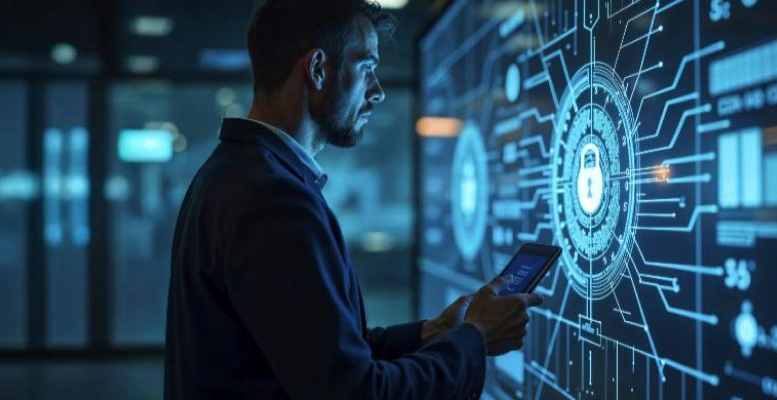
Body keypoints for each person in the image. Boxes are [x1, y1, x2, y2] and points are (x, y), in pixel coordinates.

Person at [164, 0, 545, 398]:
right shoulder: (273, 200)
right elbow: (353, 392)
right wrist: (476, 340)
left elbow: (316, 352)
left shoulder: (234, 171)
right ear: (317, 69)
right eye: (366, 68)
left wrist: (432, 333)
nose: (377, 91)